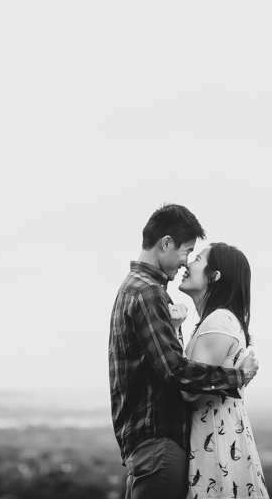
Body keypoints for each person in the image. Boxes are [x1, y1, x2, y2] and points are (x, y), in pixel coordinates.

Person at [110, 204, 260, 499]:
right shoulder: (149, 292)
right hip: (158, 443)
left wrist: (175, 328)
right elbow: (175, 371)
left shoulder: (133, 289)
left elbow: (162, 366)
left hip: (144, 443)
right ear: (166, 243)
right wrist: (237, 377)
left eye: (194, 256)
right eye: (187, 251)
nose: (186, 262)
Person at [178, 243, 269, 498]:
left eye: (197, 259)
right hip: (223, 435)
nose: (187, 264)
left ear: (214, 275)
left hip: (215, 442)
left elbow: (189, 389)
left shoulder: (218, 321)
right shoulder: (223, 320)